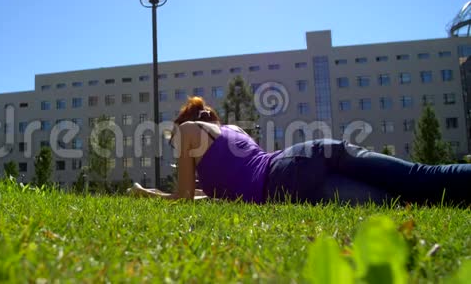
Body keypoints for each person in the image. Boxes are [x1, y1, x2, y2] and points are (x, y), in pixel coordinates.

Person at [129, 96, 471, 205]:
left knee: (392, 200)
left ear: (182, 125)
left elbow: (185, 198)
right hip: (305, 157)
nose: (175, 146)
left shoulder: (188, 132)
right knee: (414, 180)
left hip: (285, 182)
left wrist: (147, 194)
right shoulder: (232, 130)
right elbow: (211, 192)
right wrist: (155, 191)